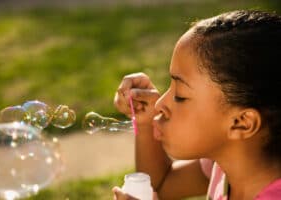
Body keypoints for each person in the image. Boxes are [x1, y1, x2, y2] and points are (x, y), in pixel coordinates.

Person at [111, 10, 281, 200]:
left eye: (180, 96)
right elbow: (160, 184)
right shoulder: (223, 164)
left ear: (242, 122)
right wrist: (145, 122)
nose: (159, 103)